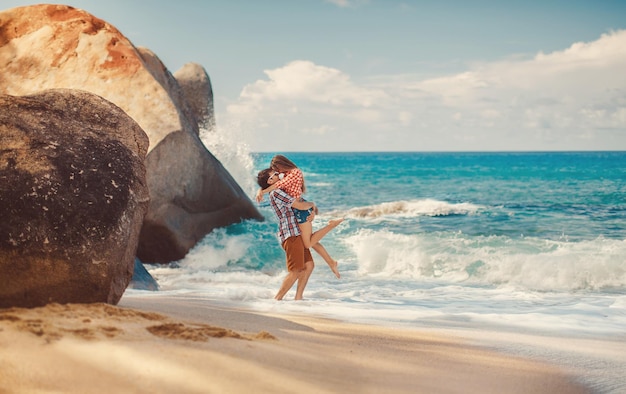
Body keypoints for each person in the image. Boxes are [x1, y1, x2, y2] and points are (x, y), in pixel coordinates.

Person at [257, 168, 340, 300]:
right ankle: (277, 299)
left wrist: (311, 212)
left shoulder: (281, 189)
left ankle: (298, 298)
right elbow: (300, 206)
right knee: (295, 270)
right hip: (291, 234)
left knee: (308, 266)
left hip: (297, 232)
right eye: (276, 174)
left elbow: (300, 202)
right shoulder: (277, 193)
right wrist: (312, 205)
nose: (279, 175)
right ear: (270, 180)